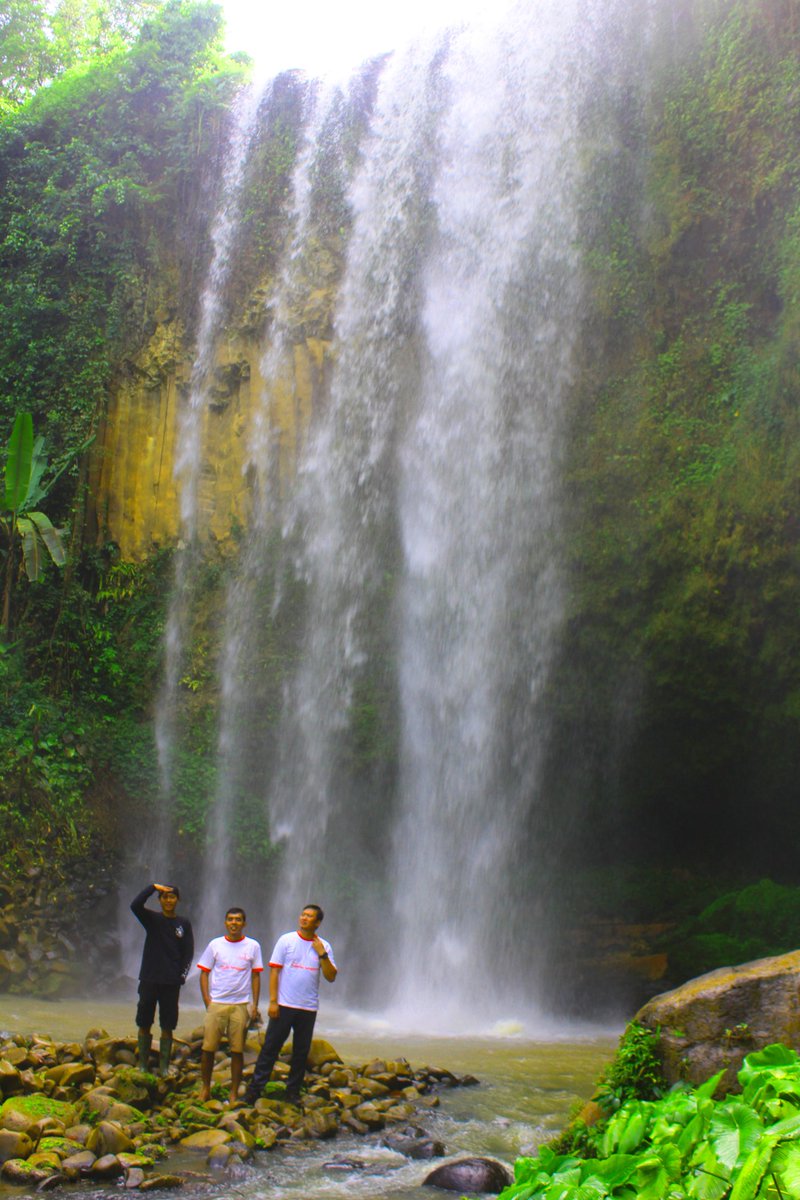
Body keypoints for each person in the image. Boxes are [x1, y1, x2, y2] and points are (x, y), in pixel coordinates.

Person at [244, 904, 337, 1106]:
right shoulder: (286, 940)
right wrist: (273, 1002)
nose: (304, 918)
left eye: (310, 916)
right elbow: (275, 971)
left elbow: (331, 976)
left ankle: (292, 1092)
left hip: (308, 1007)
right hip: (284, 1005)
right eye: (303, 914)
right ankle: (255, 1090)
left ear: (318, 922)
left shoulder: (325, 946)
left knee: (301, 1053)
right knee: (270, 1048)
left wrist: (322, 954)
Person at [197, 907, 263, 1104]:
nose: (234, 923)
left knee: (237, 1050)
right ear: (225, 922)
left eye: (238, 920)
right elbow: (204, 973)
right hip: (217, 1002)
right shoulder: (215, 945)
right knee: (208, 1048)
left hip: (240, 1004)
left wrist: (255, 1005)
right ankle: (205, 1088)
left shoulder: (253, 946)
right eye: (230, 919)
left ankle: (233, 1092)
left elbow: (256, 975)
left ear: (244, 923)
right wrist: (207, 1001)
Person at [130, 882, 194, 1075]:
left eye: (172, 896)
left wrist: (181, 976)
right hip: (149, 978)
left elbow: (188, 952)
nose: (168, 900)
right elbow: (135, 905)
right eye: (165, 897)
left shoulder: (183, 924)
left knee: (168, 1024)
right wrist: (152, 887)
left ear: (178, 900)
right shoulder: (152, 919)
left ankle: (164, 1066)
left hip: (171, 982)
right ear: (160, 900)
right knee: (144, 1021)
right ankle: (142, 1064)